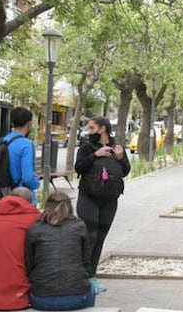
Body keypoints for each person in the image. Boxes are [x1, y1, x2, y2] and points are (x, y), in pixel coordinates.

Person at [74, 116, 130, 293]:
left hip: (109, 200)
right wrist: (94, 156)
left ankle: (91, 276)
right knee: (88, 237)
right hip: (88, 197)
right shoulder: (85, 147)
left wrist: (121, 158)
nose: (89, 132)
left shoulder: (117, 147)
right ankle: (80, 277)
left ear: (103, 129)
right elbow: (78, 168)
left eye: (92, 128)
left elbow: (125, 171)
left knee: (99, 238)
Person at [25, 192, 95, 310]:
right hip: (77, 297)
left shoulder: (35, 229)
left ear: (47, 207)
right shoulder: (79, 226)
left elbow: (29, 263)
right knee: (92, 288)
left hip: (42, 298)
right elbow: (86, 261)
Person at [1, 107, 41, 203]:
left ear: (12, 123)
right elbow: (28, 178)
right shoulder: (26, 144)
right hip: (22, 199)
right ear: (29, 124)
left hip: (2, 196)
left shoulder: (1, 142)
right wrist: (37, 183)